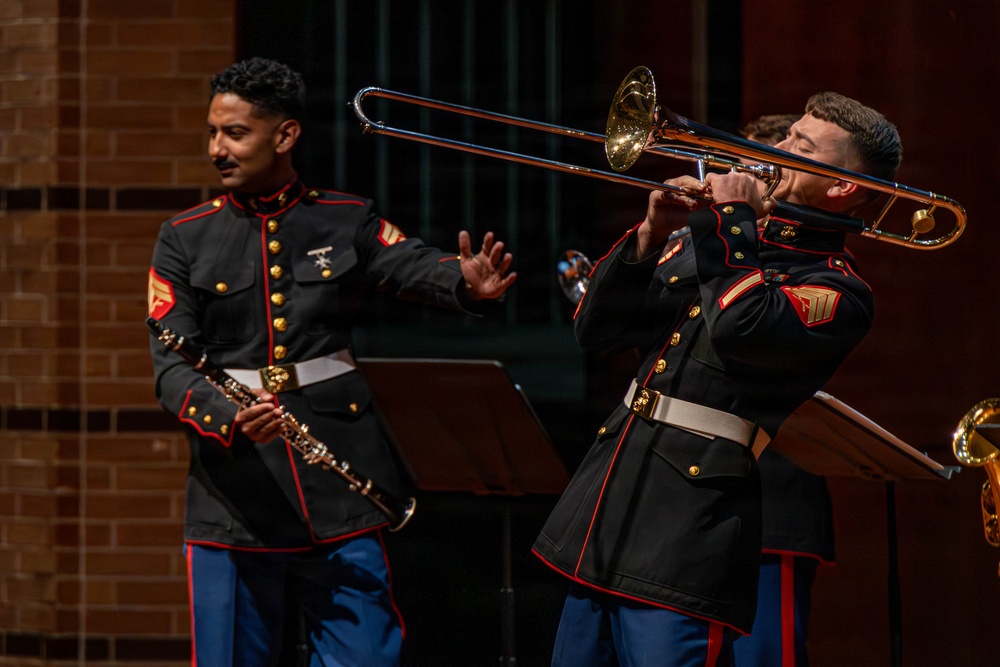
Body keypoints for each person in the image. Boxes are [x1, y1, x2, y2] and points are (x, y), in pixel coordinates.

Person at [146, 58, 516, 667]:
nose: (217, 148)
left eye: (234, 133)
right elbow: (171, 364)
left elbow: (411, 264)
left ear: (285, 135)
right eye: (212, 132)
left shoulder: (343, 218)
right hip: (237, 490)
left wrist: (464, 284)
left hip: (340, 477)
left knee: (367, 655)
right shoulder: (185, 237)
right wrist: (227, 417)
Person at [532, 92, 902, 666]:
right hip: (609, 509)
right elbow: (596, 332)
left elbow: (740, 326)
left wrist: (731, 220)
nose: (771, 150)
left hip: (688, 532)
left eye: (799, 146)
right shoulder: (711, 242)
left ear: (841, 187)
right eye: (786, 136)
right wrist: (653, 233)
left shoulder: (839, 290)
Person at [732, 113, 835, 667]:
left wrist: (734, 223)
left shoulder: (811, 264)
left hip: (776, 503)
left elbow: (751, 330)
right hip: (712, 509)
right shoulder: (730, 244)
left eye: (760, 168)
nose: (745, 177)